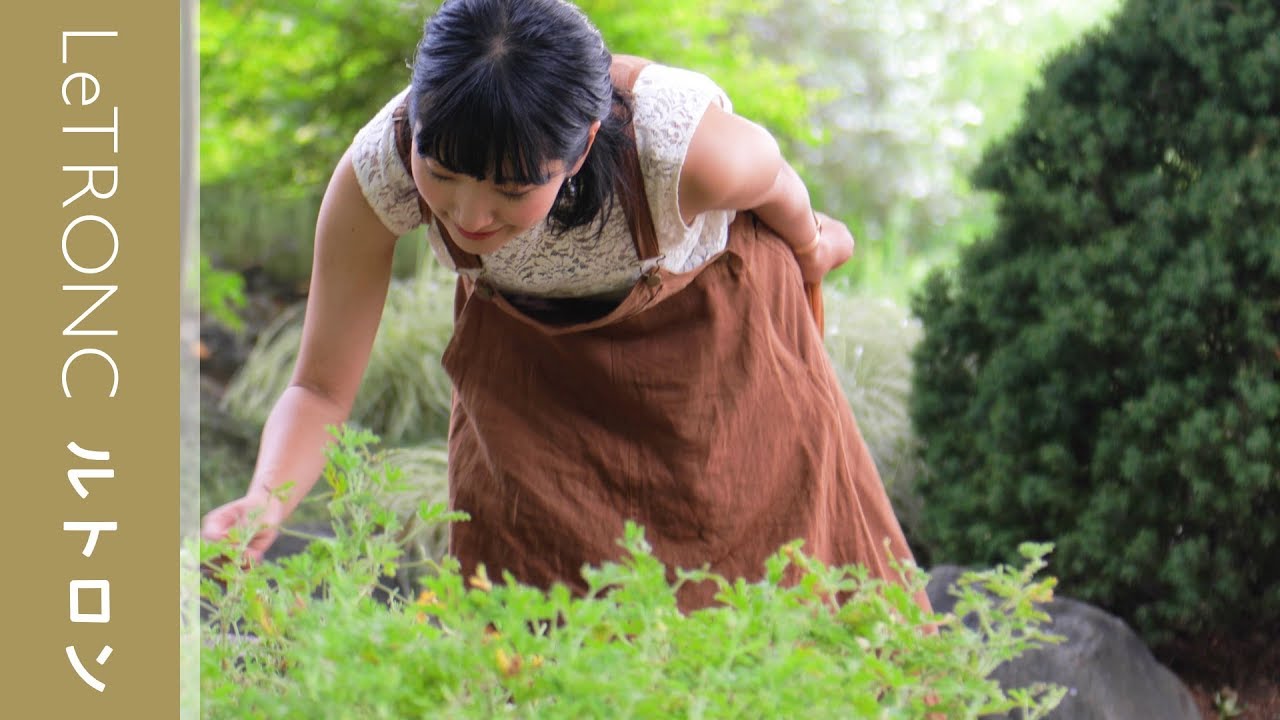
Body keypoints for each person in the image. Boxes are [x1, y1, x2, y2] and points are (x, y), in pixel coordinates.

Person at [202, 0, 923, 611]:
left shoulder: (685, 149)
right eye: (442, 173)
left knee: (762, 577)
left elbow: (779, 187)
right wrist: (263, 504)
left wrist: (815, 245)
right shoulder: (380, 171)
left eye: (513, 190)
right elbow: (320, 386)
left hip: (712, 333)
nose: (469, 214)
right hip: (528, 352)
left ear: (580, 149)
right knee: (523, 590)